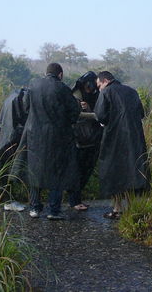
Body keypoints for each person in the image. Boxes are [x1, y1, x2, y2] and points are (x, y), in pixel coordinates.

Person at [22, 63, 80, 220]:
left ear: (46, 73)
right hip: (57, 137)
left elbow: (26, 107)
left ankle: (34, 208)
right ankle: (53, 210)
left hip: (34, 136)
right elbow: (74, 112)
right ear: (60, 75)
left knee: (35, 171)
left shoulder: (33, 85)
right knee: (57, 172)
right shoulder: (62, 88)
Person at [94, 71, 150, 219]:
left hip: (114, 139)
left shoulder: (106, 92)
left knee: (113, 172)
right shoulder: (132, 91)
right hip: (135, 139)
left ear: (105, 81)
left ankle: (117, 208)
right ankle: (131, 208)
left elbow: (100, 115)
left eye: (99, 85)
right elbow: (141, 113)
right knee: (131, 172)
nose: (99, 89)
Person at [0, 87, 29, 211]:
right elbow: (21, 122)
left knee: (0, 168)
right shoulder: (19, 102)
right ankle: (6, 200)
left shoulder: (11, 99)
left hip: (3, 139)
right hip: (10, 141)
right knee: (6, 169)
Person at [67, 71, 102, 211]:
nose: (90, 88)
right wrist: (93, 115)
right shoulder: (77, 95)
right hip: (79, 139)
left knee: (86, 170)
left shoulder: (95, 95)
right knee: (78, 170)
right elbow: (75, 114)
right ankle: (74, 200)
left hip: (92, 138)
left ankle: (76, 199)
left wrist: (90, 110)